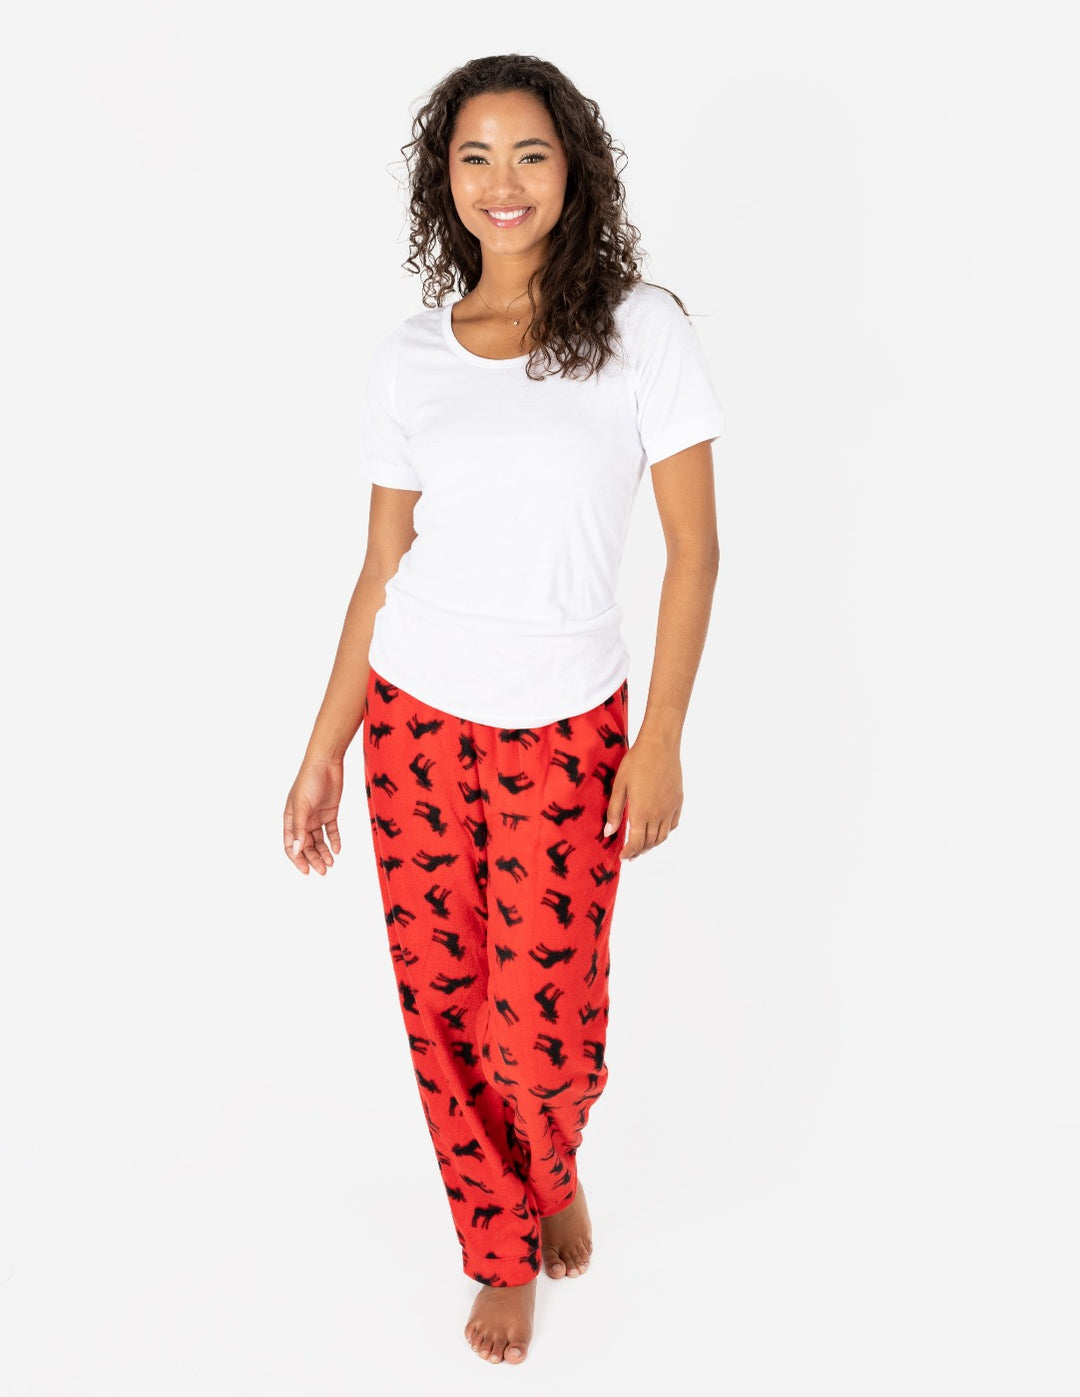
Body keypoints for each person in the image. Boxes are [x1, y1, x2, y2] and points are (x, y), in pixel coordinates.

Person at [283, 53, 724, 1365]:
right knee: (442, 1006)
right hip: (415, 721)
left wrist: (661, 741)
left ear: (573, 167)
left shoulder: (642, 328)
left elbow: (695, 551)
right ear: (445, 181)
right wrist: (323, 749)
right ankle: (497, 1242)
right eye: (475, 157)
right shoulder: (412, 356)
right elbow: (381, 568)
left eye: (530, 152)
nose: (504, 181)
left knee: (539, 1023)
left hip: (568, 730)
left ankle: (551, 1152)